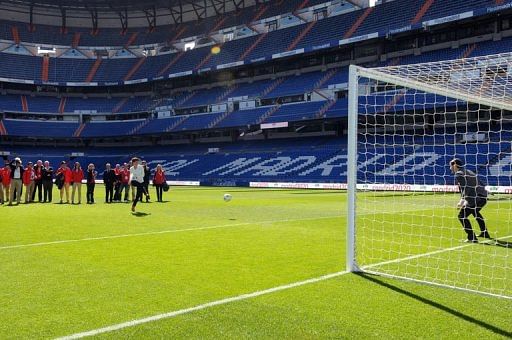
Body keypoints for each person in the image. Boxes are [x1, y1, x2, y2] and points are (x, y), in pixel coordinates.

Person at [450, 158, 491, 243]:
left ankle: (472, 237)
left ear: (455, 165)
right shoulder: (468, 171)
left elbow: (466, 187)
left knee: (461, 216)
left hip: (475, 198)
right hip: (482, 197)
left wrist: (462, 200)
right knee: (475, 213)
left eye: (450, 165)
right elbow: (479, 182)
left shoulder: (459, 174)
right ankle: (484, 233)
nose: (450, 168)